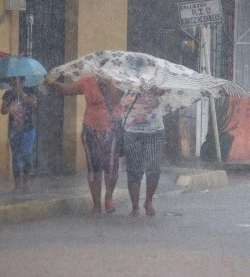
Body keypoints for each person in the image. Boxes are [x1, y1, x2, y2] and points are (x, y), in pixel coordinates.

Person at [43, 75, 123, 214]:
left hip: (112, 128)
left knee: (111, 167)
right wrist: (54, 84)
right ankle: (96, 204)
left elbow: (115, 100)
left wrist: (108, 84)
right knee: (94, 167)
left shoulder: (118, 81)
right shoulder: (87, 80)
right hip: (90, 129)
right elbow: (68, 90)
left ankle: (108, 197)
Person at [119, 86, 166, 216]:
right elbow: (117, 94)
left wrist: (157, 90)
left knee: (154, 167)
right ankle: (135, 206)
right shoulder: (124, 75)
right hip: (131, 129)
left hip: (154, 129)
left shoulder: (156, 71)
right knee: (133, 169)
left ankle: (148, 201)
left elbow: (164, 89)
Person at [0, 76, 38, 194]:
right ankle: (17, 184)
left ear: (20, 80)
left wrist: (22, 93)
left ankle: (26, 182)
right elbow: (2, 110)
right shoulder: (8, 94)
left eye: (13, 80)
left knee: (26, 155)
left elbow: (34, 104)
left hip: (28, 129)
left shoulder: (29, 90)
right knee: (16, 157)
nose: (11, 82)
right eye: (10, 80)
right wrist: (10, 109)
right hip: (14, 130)